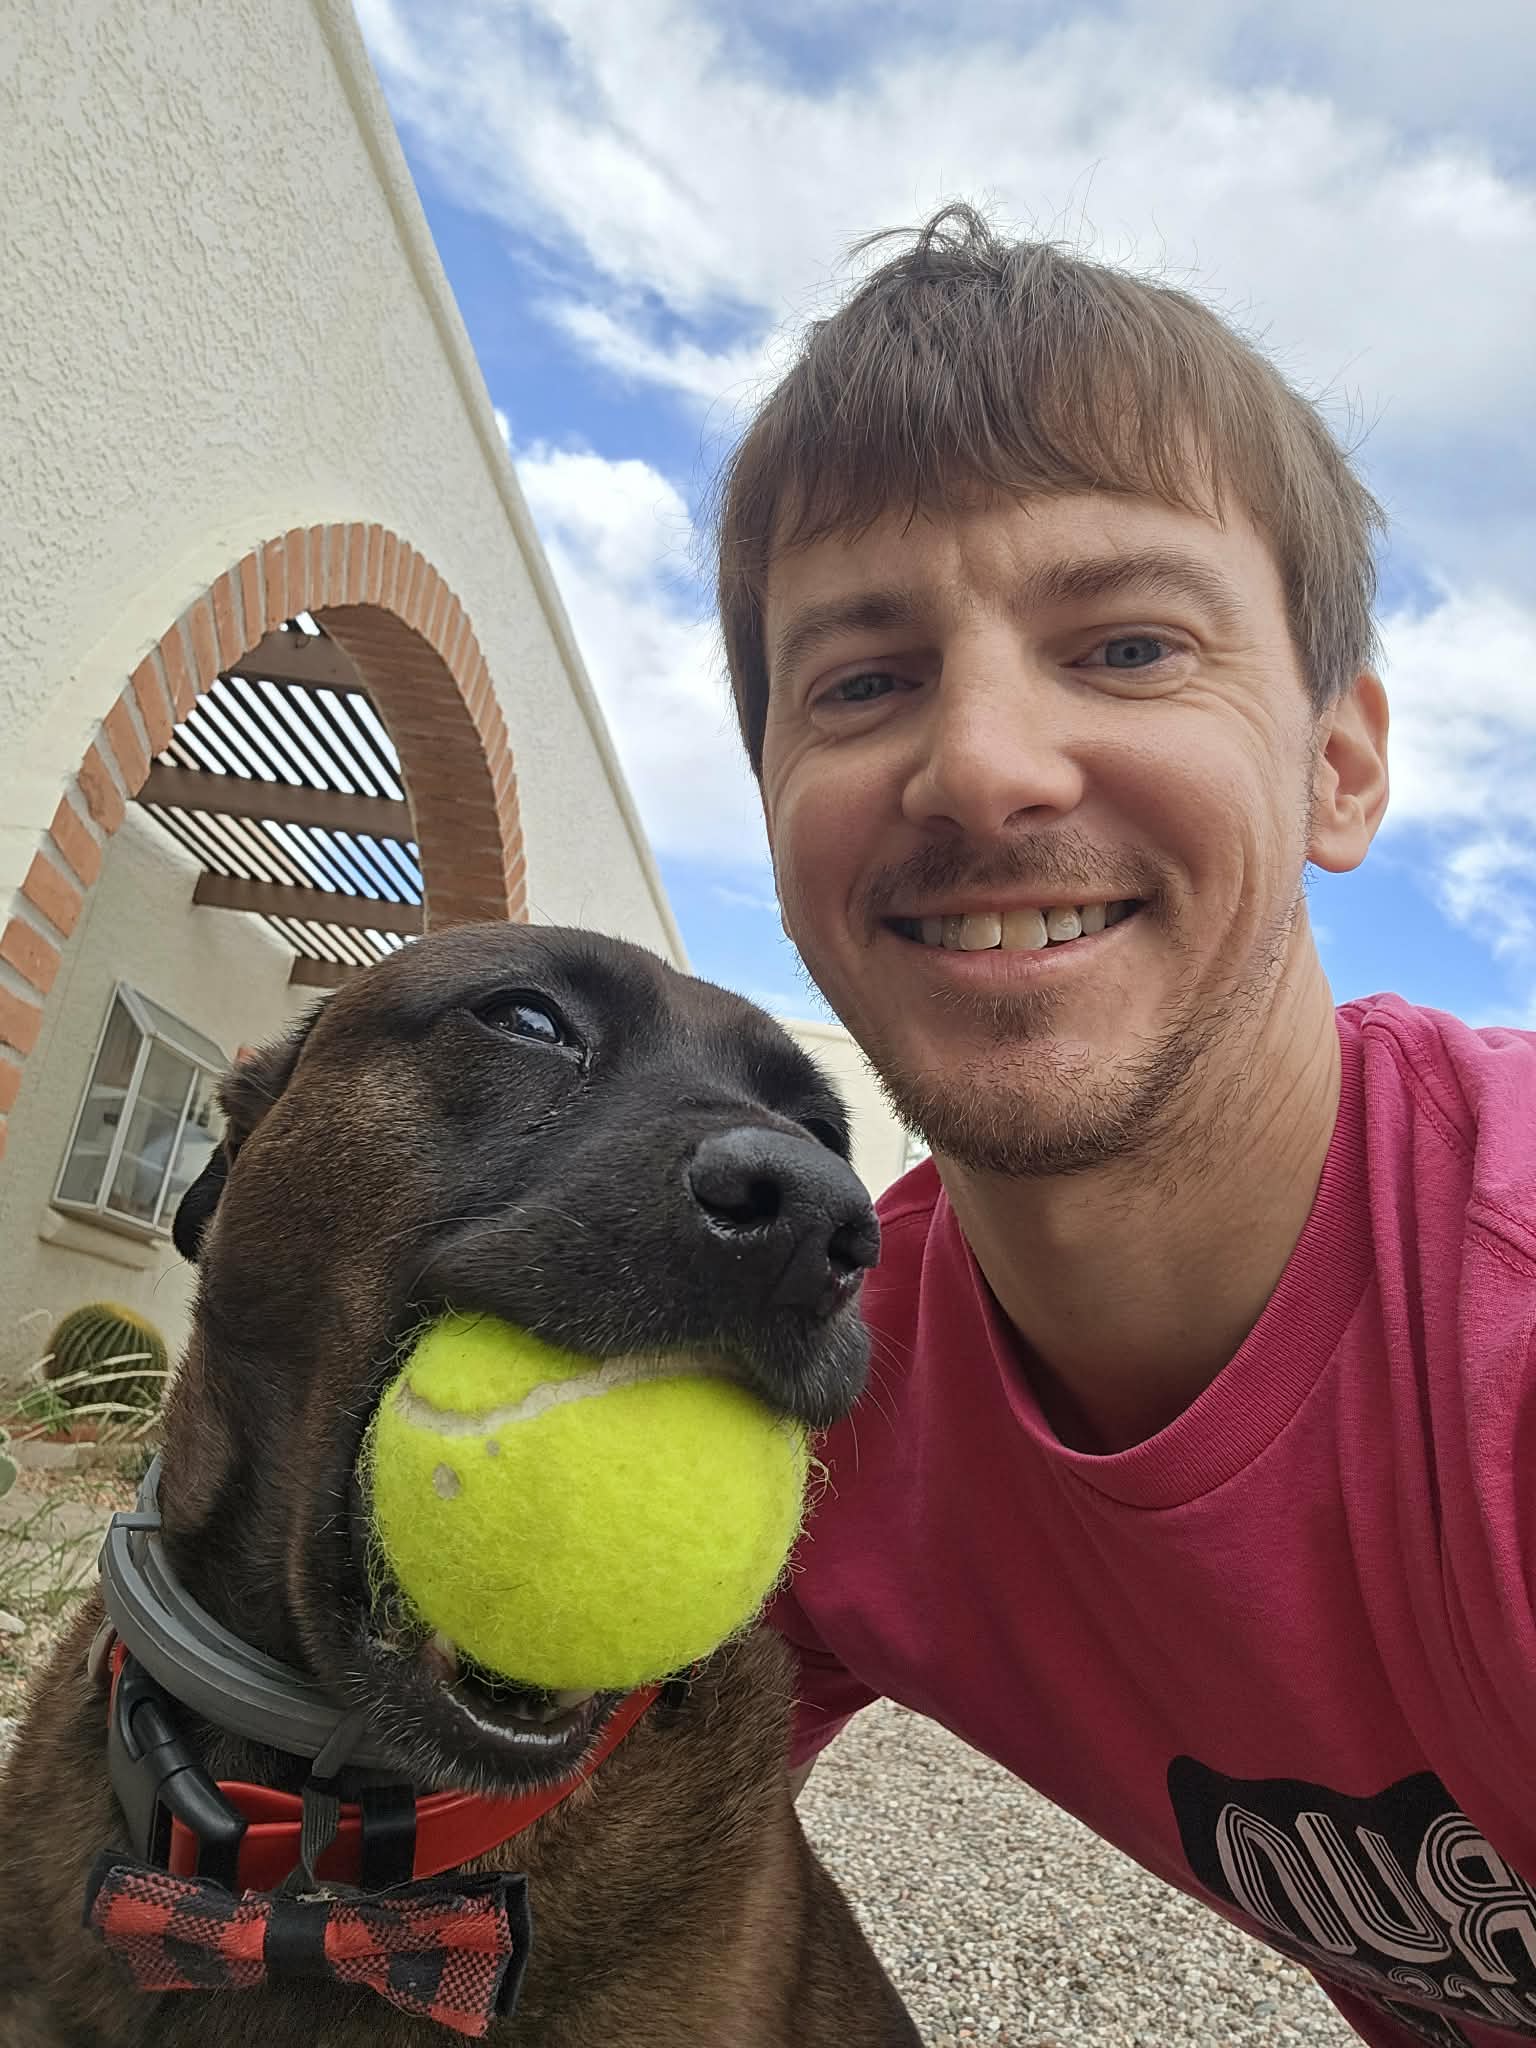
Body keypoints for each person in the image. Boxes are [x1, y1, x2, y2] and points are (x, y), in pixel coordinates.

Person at [712, 205, 1536, 2048]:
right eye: (861, 681)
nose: (984, 765)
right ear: (772, 804)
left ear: (1339, 765)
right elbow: (500, 1876)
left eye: (1132, 646)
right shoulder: (814, 1404)